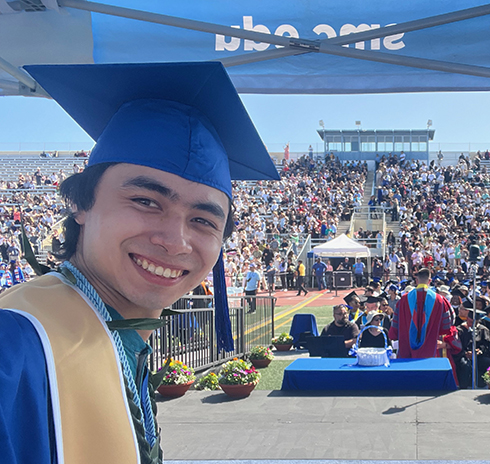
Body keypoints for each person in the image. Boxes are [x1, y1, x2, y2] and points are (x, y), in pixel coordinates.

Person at [0, 61, 280, 463]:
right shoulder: (15, 345)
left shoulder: (124, 342)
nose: (175, 242)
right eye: (146, 201)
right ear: (79, 204)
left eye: (203, 220)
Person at [388, 268, 452, 358]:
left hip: (407, 349)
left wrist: (394, 335)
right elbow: (447, 326)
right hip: (429, 349)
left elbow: (395, 325)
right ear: (429, 281)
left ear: (416, 280)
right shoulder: (440, 300)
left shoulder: (403, 300)